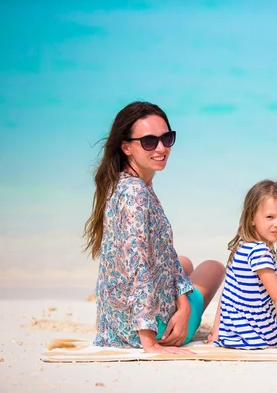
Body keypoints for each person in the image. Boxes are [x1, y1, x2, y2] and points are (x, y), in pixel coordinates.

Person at [83, 101, 225, 354]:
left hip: (114, 325)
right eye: (149, 142)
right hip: (153, 330)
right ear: (126, 146)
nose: (161, 148)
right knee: (213, 267)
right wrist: (149, 341)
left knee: (182, 261)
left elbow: (163, 256)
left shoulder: (120, 183)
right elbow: (138, 267)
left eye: (166, 138)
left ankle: (178, 308)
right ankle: (165, 325)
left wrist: (183, 304)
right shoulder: (137, 195)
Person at [208, 180, 277, 353]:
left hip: (234, 335)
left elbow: (227, 291)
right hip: (263, 336)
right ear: (251, 218)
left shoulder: (241, 246)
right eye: (270, 217)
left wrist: (217, 330)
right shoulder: (259, 252)